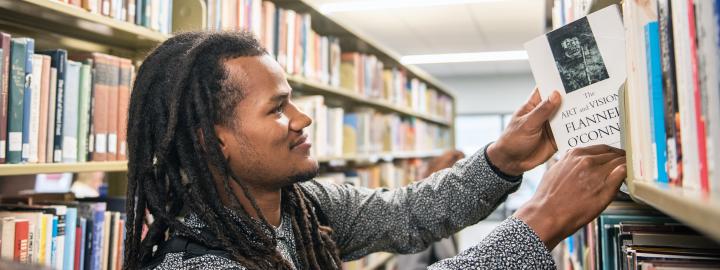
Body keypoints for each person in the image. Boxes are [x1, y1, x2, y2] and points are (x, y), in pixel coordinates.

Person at [123, 32, 626, 270]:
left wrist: (502, 159)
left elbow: (410, 213)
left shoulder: (302, 208)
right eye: (277, 109)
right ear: (213, 140)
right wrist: (538, 223)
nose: (303, 118)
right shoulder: (203, 266)